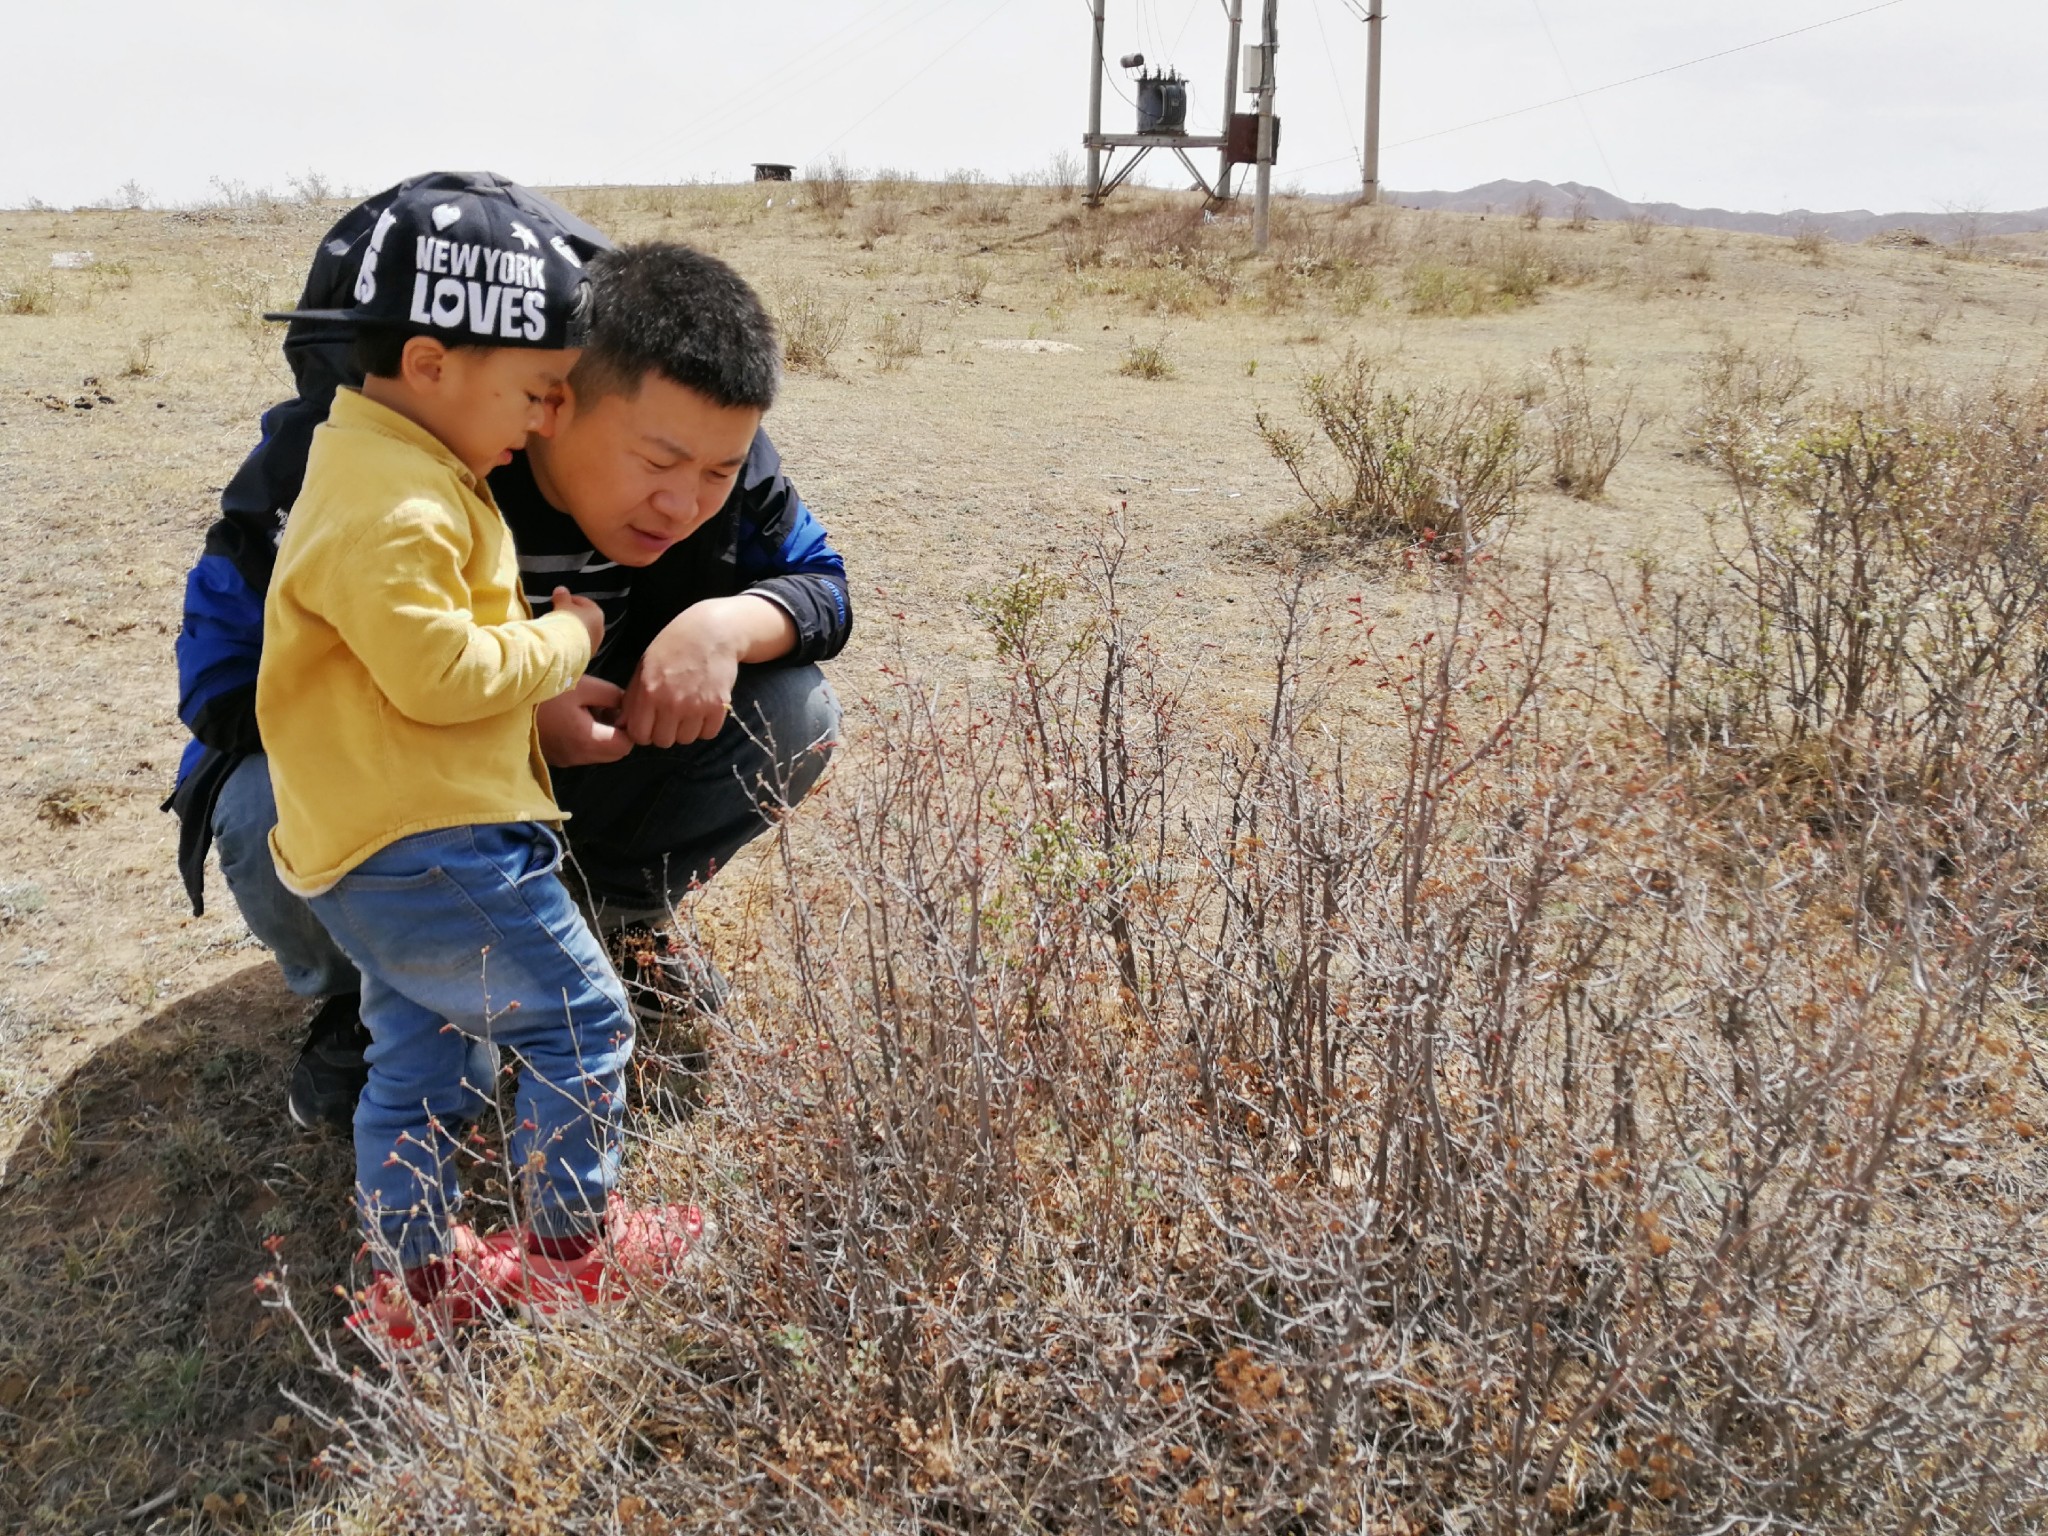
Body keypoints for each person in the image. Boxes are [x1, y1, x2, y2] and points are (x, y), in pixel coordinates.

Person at [166, 173, 850, 1133]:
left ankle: (607, 923)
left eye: (718, 472)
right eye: (656, 464)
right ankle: (362, 991)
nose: (687, 502)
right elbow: (225, 682)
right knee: (256, 798)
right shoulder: (370, 460)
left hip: (544, 797)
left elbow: (820, 583)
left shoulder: (705, 442)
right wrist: (507, 709)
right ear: (558, 397)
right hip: (397, 803)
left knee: (793, 711)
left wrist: (724, 626)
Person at [257, 184, 785, 1343]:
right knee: (584, 1023)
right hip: (433, 843)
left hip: (388, 839)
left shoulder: (384, 469)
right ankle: (572, 1256)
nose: (545, 415)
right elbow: (439, 675)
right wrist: (566, 642)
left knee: (423, 1061)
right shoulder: (397, 502)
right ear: (435, 361)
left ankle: (413, 1282)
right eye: (536, 390)